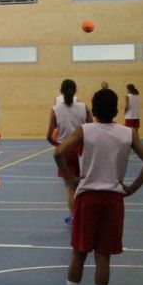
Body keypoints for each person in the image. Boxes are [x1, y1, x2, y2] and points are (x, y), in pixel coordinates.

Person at [55, 88, 143, 285]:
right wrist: (131, 188)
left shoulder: (85, 130)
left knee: (79, 253)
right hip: (113, 200)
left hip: (87, 198)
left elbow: (59, 152)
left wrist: (71, 178)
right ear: (116, 110)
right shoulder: (127, 133)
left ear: (94, 108)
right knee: (103, 256)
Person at [46, 80, 89, 225]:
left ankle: (74, 217)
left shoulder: (55, 109)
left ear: (61, 91)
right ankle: (85, 214)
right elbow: (92, 128)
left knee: (70, 187)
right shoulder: (84, 107)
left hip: (64, 149)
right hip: (82, 148)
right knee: (84, 184)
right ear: (75, 90)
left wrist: (56, 144)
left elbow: (49, 136)